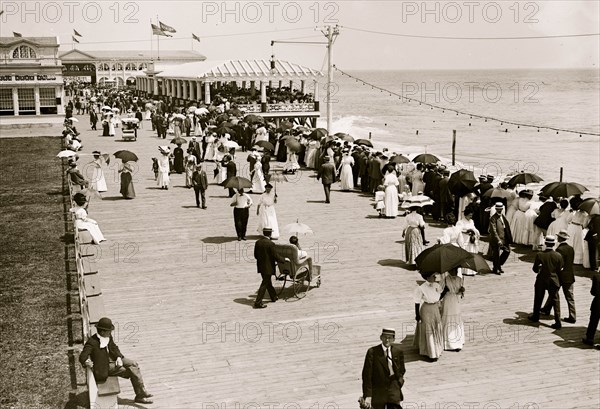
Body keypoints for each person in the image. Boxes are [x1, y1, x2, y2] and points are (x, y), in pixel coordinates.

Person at [79, 317, 153, 404]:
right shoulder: (92, 342)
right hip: (104, 367)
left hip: (114, 359)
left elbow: (114, 347)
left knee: (134, 364)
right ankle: (140, 396)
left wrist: (118, 357)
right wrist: (87, 361)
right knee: (131, 372)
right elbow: (82, 356)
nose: (111, 332)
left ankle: (142, 391)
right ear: (102, 332)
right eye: (109, 331)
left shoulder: (108, 336)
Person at [361, 328, 406, 409]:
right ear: (381, 337)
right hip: (378, 390)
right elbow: (367, 375)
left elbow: (402, 369)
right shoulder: (372, 352)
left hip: (393, 388)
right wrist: (368, 395)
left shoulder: (398, 352)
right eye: (385, 337)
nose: (387, 340)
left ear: (394, 339)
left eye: (390, 338)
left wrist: (399, 381)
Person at [529, 235, 563, 329]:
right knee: (555, 301)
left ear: (545, 243)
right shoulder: (558, 255)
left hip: (541, 280)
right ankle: (558, 321)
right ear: (553, 244)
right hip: (553, 280)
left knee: (538, 298)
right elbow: (559, 269)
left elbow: (535, 269)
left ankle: (536, 316)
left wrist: (540, 268)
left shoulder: (540, 255)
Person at [541, 230, 575, 323]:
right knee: (570, 297)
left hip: (560, 276)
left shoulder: (560, 250)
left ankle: (546, 309)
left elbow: (559, 264)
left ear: (560, 238)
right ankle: (572, 316)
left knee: (553, 294)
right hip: (569, 275)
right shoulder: (571, 248)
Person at [253, 227, 287, 309]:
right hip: (268, 267)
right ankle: (258, 302)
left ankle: (273, 296)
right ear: (270, 234)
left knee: (267, 282)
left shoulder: (258, 242)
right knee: (265, 283)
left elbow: (255, 255)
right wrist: (284, 259)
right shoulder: (271, 244)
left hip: (261, 266)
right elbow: (275, 256)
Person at [414, 273, 444, 360]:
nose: (435, 277)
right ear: (427, 277)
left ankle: (437, 349)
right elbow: (417, 301)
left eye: (435, 276)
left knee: (436, 326)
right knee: (429, 330)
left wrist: (445, 291)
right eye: (433, 276)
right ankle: (430, 352)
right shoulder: (421, 288)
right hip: (426, 309)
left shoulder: (437, 285)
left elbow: (438, 297)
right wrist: (417, 314)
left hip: (435, 308)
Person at [442, 268, 465, 351]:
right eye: (453, 270)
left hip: (456, 302)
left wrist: (462, 291)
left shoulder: (460, 279)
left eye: (456, 270)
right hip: (448, 302)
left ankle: (458, 341)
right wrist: (445, 291)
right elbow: (439, 295)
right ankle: (449, 343)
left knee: (457, 320)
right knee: (448, 320)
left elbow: (460, 294)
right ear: (448, 270)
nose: (455, 271)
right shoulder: (444, 280)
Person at [488, 202, 513, 275]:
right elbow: (493, 230)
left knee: (507, 251)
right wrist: (498, 240)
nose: (500, 210)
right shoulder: (493, 218)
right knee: (496, 254)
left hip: (504, 238)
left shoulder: (503, 217)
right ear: (496, 209)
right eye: (498, 209)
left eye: (501, 209)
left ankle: (498, 265)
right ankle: (496, 268)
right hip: (496, 239)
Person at [456, 207, 481, 276]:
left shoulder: (471, 221)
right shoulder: (460, 222)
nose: (471, 216)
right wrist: (466, 231)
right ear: (466, 215)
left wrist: (475, 232)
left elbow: (474, 228)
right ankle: (464, 270)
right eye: (469, 215)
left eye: (471, 215)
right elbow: (457, 231)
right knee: (465, 254)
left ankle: (471, 270)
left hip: (471, 240)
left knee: (471, 254)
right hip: (464, 240)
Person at [582, 271, 600, 346]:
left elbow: (594, 292)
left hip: (598, 303)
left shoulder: (597, 277)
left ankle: (589, 338)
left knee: (593, 321)